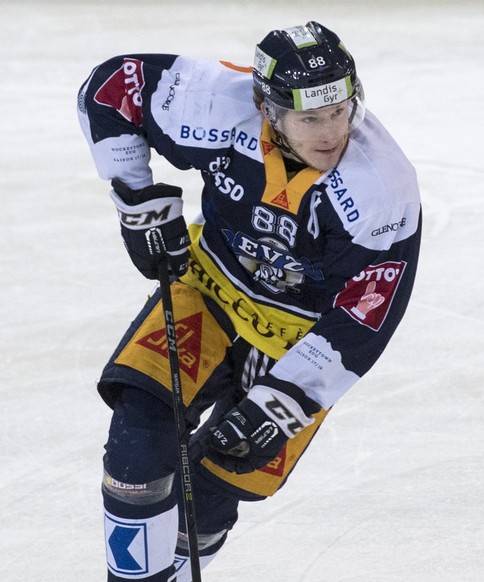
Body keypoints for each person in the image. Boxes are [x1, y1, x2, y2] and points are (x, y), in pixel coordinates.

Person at [77, 20, 422, 581]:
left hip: (300, 339)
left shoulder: (380, 185)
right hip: (208, 288)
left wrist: (286, 399)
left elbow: (365, 317)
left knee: (217, 486)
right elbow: (113, 87)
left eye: (340, 110)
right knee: (138, 449)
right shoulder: (212, 103)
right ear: (266, 106)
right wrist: (136, 202)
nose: (332, 131)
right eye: (310, 117)